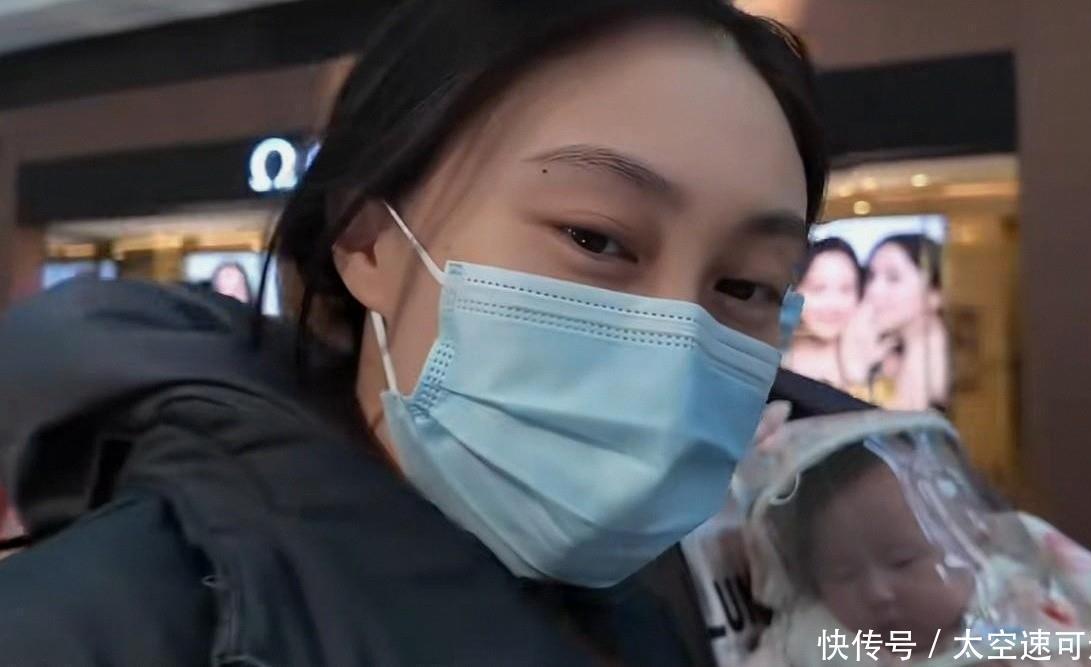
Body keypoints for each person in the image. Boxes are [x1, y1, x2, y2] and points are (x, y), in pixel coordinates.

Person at [0, 1, 826, 665]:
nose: (674, 352)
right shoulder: (91, 629)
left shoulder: (640, 614)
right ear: (366, 239)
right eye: (595, 237)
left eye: (746, 284)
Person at [743, 411, 1091, 667]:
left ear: (968, 542)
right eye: (844, 574)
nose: (877, 592)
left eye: (902, 562)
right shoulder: (816, 637)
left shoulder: (1013, 602)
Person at [841, 234, 949, 410]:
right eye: (872, 277)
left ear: (934, 294)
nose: (874, 290)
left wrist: (854, 368)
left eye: (893, 278)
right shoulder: (897, 350)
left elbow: (901, 422)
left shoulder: (933, 351)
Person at [784, 238, 863, 391]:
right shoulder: (770, 358)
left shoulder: (880, 361)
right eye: (818, 288)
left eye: (846, 289)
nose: (833, 304)